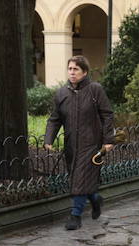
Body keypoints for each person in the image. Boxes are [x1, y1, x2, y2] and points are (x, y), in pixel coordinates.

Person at [44, 56, 115, 230]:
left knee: (79, 179)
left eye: (76, 69)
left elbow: (107, 114)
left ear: (85, 72)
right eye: (70, 69)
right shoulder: (62, 93)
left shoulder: (95, 90)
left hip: (92, 144)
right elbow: (55, 119)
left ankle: (75, 216)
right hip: (71, 146)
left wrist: (108, 141)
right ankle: (95, 199)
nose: (72, 72)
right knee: (79, 179)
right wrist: (49, 139)